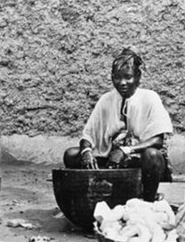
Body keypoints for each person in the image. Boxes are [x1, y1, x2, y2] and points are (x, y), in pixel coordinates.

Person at [63, 48, 173, 202]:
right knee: (71, 155)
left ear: (138, 77)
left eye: (128, 77)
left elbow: (157, 140)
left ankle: (148, 201)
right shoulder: (106, 100)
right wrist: (86, 151)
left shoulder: (150, 98)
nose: (122, 83)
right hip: (111, 159)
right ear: (112, 78)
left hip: (140, 160)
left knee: (152, 156)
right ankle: (92, 199)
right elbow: (88, 135)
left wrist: (125, 150)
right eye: (117, 78)